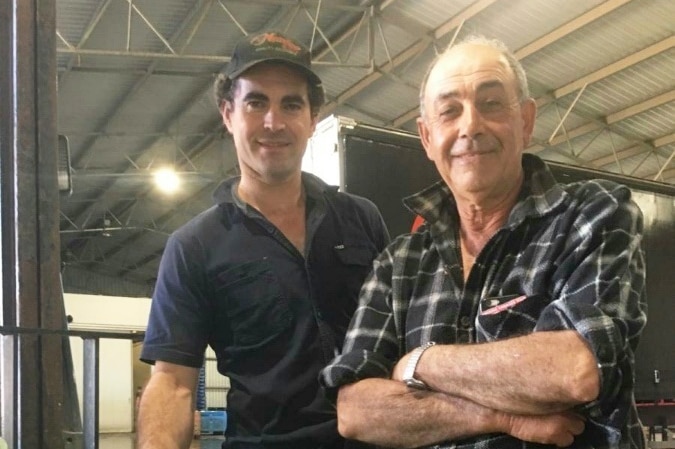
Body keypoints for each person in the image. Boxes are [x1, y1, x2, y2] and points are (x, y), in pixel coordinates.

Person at [321, 35, 648, 449]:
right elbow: (356, 411)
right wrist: (500, 414)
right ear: (426, 137)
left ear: (526, 121)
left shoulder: (593, 215)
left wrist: (419, 362)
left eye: (491, 104)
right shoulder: (398, 263)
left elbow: (574, 370)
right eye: (449, 111)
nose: (470, 126)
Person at [137, 31, 389, 449]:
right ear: (228, 114)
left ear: (311, 119)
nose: (273, 122)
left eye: (291, 104)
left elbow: (399, 338)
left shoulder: (362, 219)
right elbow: (173, 383)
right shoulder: (194, 246)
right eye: (256, 102)